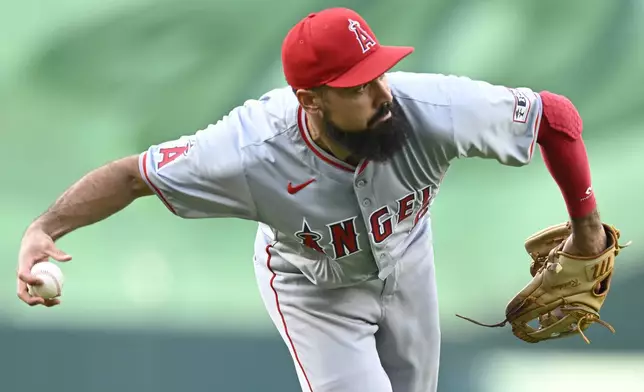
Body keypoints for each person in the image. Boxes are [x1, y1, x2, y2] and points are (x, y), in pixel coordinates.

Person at [16, 7, 609, 392]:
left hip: (408, 259)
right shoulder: (247, 150)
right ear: (311, 100)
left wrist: (586, 231)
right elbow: (131, 175)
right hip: (313, 288)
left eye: (380, 72)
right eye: (359, 86)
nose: (382, 93)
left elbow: (555, 119)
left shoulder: (429, 108)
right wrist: (46, 229)